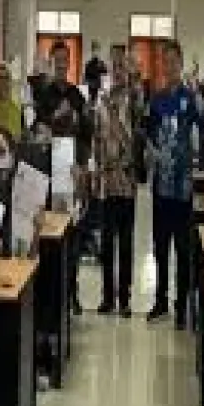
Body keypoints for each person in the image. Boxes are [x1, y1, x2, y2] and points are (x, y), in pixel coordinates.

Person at [146, 40, 204, 327]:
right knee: (160, 246)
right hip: (161, 184)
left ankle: (182, 307)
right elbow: (147, 134)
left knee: (183, 249)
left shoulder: (191, 99)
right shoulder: (156, 100)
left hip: (183, 187)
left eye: (174, 61)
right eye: (165, 61)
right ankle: (160, 301)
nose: (169, 67)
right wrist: (151, 152)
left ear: (181, 64)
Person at [35, 39, 92, 314]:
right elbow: (37, 132)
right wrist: (54, 117)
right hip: (49, 175)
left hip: (71, 175)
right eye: (56, 60)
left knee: (73, 234)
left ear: (69, 63)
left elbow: (86, 136)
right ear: (51, 62)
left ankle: (72, 293)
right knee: (51, 236)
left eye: (64, 61)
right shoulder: (42, 95)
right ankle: (51, 297)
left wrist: (82, 165)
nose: (61, 65)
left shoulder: (77, 96)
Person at [94, 47, 136, 318]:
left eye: (123, 66)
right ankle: (107, 297)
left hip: (127, 182)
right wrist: (97, 169)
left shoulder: (134, 99)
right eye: (115, 66)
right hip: (107, 181)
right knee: (107, 243)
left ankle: (125, 299)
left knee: (126, 243)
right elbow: (97, 137)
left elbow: (137, 137)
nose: (119, 71)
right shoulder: (102, 99)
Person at [83, 40, 108, 104]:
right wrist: (91, 83)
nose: (96, 52)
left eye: (97, 50)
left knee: (101, 103)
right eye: (94, 50)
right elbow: (86, 78)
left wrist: (104, 87)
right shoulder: (89, 64)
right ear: (92, 50)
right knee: (93, 102)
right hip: (92, 89)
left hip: (100, 88)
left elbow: (105, 75)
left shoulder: (101, 63)